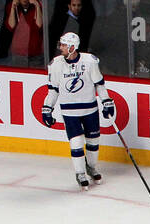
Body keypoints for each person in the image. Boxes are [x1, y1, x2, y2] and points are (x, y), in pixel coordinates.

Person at [40, 32, 113, 190]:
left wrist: (107, 102)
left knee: (93, 141)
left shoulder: (89, 61)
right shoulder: (55, 64)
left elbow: (99, 84)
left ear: (73, 47)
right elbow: (53, 90)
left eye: (64, 45)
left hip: (90, 109)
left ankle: (91, 167)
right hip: (70, 111)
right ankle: (80, 173)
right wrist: (47, 109)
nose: (61, 48)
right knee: (76, 142)